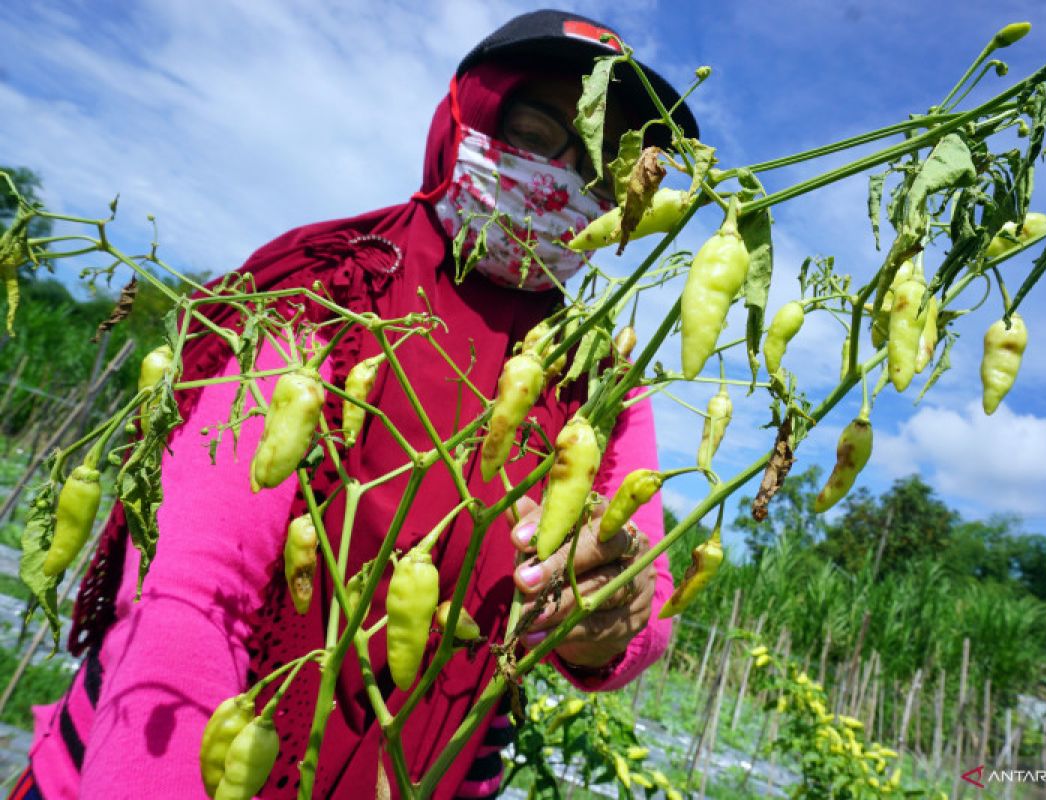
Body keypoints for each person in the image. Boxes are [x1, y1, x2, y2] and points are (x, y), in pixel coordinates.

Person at [14, 9, 699, 800]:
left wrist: (608, 625)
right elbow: (192, 594)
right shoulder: (330, 289)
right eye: (539, 131)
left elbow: (640, 620)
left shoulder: (604, 377)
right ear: (466, 115)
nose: (563, 182)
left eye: (600, 167)